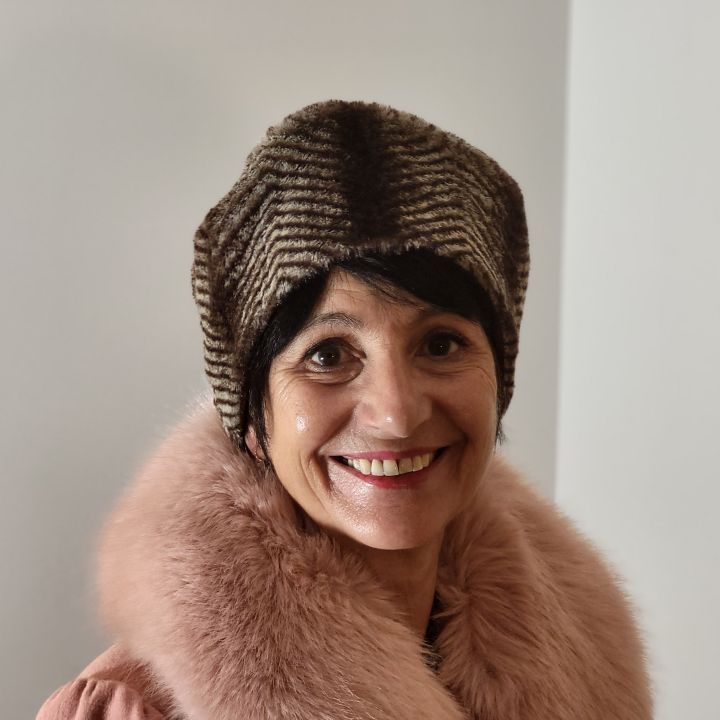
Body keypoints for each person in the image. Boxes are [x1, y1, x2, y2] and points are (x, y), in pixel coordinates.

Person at [37, 101, 653, 719]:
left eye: (441, 345)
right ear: (252, 421)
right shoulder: (130, 710)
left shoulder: (585, 661)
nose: (397, 415)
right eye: (328, 355)